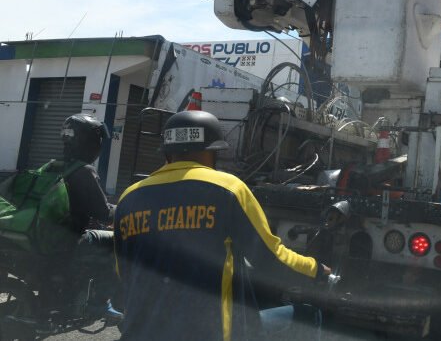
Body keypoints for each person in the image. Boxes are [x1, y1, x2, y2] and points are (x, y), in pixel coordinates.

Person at [114, 110, 331, 340]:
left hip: (139, 334)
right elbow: (271, 260)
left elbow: (122, 274)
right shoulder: (227, 189)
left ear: (168, 152)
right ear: (211, 153)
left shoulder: (129, 198)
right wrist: (317, 270)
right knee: (309, 315)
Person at [60, 114, 122, 322]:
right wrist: (125, 209)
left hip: (51, 236)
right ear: (91, 143)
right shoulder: (84, 170)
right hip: (73, 239)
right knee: (115, 245)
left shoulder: (53, 164)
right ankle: (100, 303)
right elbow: (104, 213)